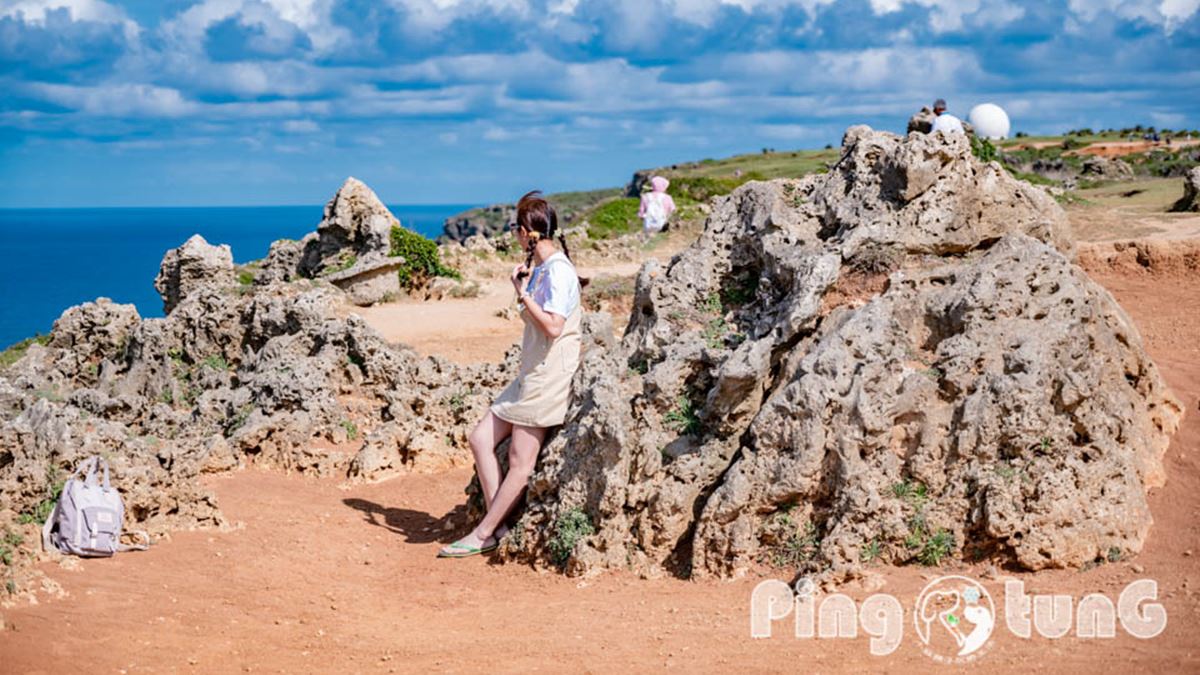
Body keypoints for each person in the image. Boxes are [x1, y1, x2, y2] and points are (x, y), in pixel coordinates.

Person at [438, 191, 584, 558]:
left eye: (516, 231)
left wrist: (523, 295)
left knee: (521, 463)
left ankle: (483, 533)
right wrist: (522, 287)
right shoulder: (544, 269)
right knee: (479, 438)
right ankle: (496, 526)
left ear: (525, 233)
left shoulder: (559, 271)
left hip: (549, 375)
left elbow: (553, 327)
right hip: (530, 373)